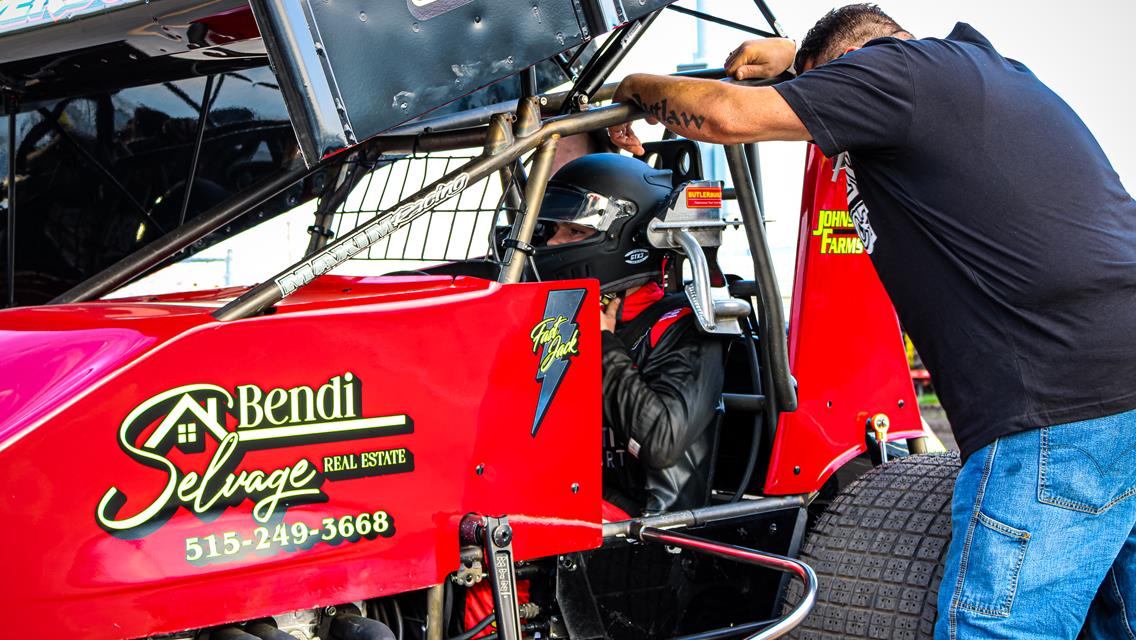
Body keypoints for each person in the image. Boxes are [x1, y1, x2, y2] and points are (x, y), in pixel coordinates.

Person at [606, 4, 1136, 638]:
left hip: (1058, 406)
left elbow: (725, 115)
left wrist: (635, 91)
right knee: (1119, 620)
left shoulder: (898, 73)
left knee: (997, 627)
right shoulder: (984, 75)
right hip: (1114, 387)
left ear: (853, 66)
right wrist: (796, 62)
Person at [532, 152, 725, 516]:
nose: (553, 244)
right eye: (552, 230)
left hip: (649, 532)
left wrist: (604, 347)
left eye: (574, 231)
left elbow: (661, 440)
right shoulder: (560, 319)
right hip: (570, 510)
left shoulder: (683, 325)